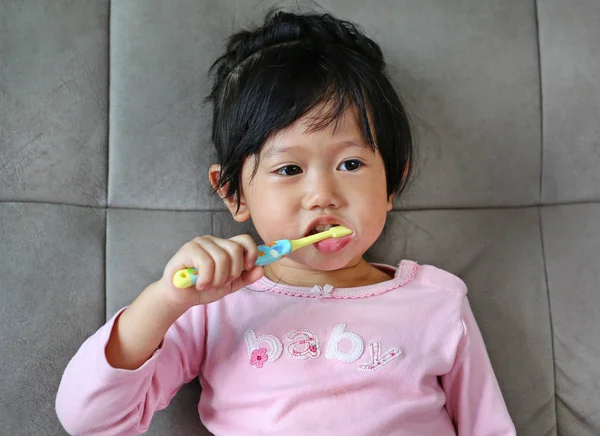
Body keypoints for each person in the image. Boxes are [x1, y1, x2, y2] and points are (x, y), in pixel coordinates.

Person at [56, 9, 516, 435]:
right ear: (234, 193)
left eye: (351, 164)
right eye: (289, 169)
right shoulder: (214, 304)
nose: (324, 196)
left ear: (393, 181)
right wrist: (165, 301)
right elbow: (90, 419)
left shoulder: (437, 301)